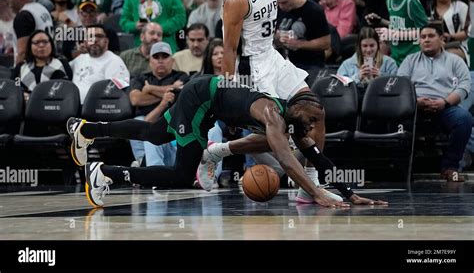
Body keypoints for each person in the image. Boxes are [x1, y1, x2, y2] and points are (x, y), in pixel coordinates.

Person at [67, 76, 387, 208]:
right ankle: (105, 172)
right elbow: (288, 163)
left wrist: (349, 193)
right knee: (182, 174)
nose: (316, 126)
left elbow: (318, 159)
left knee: (154, 134)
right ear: (299, 109)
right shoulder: (274, 117)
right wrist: (317, 193)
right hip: (199, 99)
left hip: (208, 102)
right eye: (315, 119)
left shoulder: (293, 119)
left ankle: (88, 130)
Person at [218, 0, 363, 202]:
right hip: (252, 68)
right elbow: (229, 49)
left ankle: (310, 185)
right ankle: (218, 151)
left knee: (315, 112)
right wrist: (229, 91)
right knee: (281, 133)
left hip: (274, 59)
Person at [398, 23, 471, 182]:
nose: (426, 40)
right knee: (395, 118)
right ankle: (401, 167)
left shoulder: (454, 61)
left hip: (445, 107)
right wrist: (415, 101)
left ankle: (450, 167)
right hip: (415, 107)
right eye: (423, 37)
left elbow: (465, 85)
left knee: (464, 119)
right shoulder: (410, 61)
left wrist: (445, 102)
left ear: (442, 39)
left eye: (431, 36)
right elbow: (401, 87)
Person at [11, 30, 72, 99]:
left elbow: (68, 87)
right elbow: (15, 87)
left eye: (45, 42)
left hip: (55, 104)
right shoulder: (21, 67)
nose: (41, 45)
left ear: (51, 44)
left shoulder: (62, 63)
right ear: (30, 46)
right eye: (36, 42)